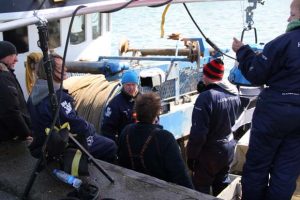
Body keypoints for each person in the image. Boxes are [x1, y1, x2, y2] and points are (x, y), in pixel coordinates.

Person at [231, 0, 300, 199]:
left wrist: (243, 51)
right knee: (287, 170)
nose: (289, 18)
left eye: (292, 14)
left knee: (257, 165)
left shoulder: (283, 42)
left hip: (274, 112)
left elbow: (256, 73)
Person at [27, 53, 117, 162]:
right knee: (110, 146)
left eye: (64, 65)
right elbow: (75, 124)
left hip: (43, 144)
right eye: (60, 67)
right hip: (61, 145)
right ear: (49, 72)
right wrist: (90, 128)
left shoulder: (33, 95)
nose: (65, 69)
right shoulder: (59, 97)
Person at [186, 58, 241, 196]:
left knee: (201, 187)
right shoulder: (234, 93)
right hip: (228, 148)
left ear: (207, 75)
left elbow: (198, 133)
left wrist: (191, 157)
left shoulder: (205, 97)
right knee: (222, 185)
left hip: (209, 153)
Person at [118, 92, 194, 189]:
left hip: (131, 187)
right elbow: (180, 176)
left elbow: (121, 160)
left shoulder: (126, 131)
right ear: (157, 113)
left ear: (136, 113)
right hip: (160, 191)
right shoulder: (165, 138)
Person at [0, 41, 32, 142]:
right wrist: (25, 133)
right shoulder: (3, 78)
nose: (17, 60)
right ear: (4, 56)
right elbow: (10, 110)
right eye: (13, 55)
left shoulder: (5, 74)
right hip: (10, 138)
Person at [101, 70, 140, 143]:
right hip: (124, 144)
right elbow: (107, 130)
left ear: (137, 85)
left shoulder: (144, 100)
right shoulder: (115, 104)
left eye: (133, 84)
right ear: (123, 85)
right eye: (128, 85)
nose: (131, 88)